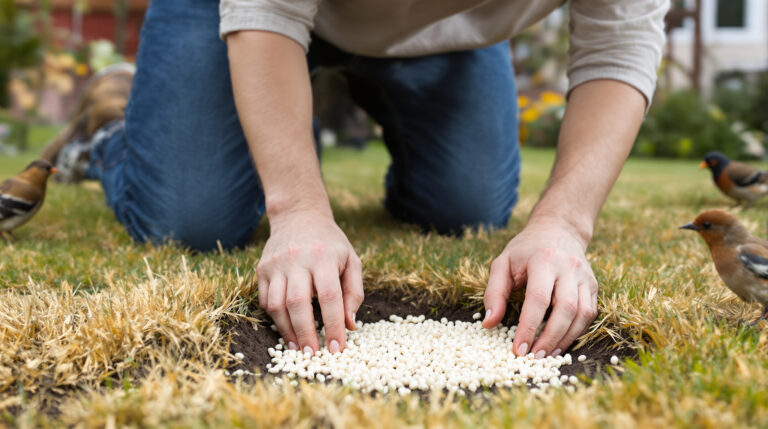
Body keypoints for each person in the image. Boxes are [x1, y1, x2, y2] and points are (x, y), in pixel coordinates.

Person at [49, 0, 668, 359]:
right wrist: (298, 211)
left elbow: (618, 49)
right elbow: (266, 9)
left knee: (465, 205)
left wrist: (562, 224)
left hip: (444, 29)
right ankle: (111, 131)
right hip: (241, 9)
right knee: (189, 217)